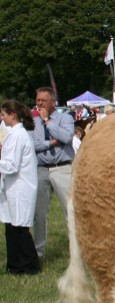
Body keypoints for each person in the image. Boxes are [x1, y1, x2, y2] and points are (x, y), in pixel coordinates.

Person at [32, 87, 75, 260]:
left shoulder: (65, 118)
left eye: (43, 100)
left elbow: (66, 138)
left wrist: (48, 122)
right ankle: (38, 253)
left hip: (62, 168)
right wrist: (51, 143)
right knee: (38, 214)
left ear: (52, 102)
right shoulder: (34, 123)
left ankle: (76, 253)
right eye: (37, 100)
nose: (39, 103)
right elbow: (33, 145)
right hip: (41, 169)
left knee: (70, 212)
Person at [1, 100, 40, 275]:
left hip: (20, 187)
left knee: (20, 229)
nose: (2, 118)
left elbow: (11, 165)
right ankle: (15, 265)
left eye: (3, 115)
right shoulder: (15, 134)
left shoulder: (18, 135)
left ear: (12, 115)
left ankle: (29, 266)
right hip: (13, 187)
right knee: (12, 227)